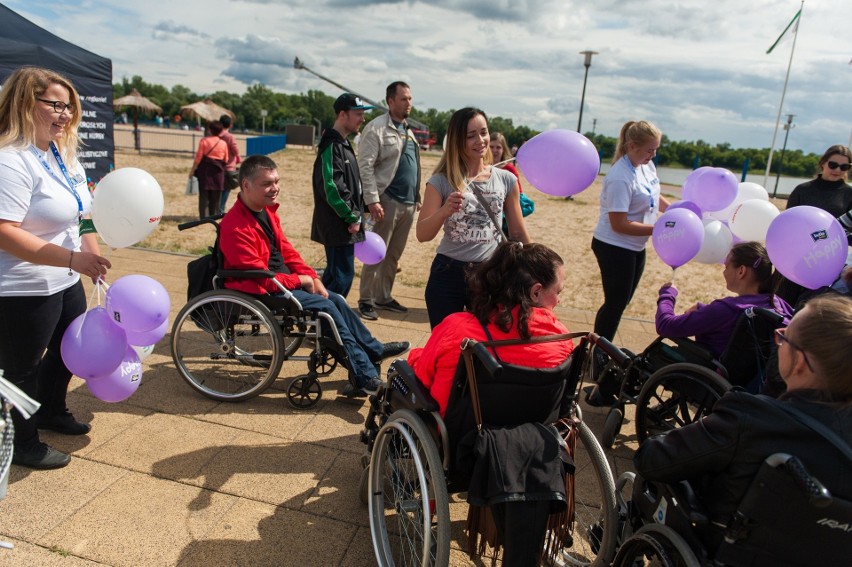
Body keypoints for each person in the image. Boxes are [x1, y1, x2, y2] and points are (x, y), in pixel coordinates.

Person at [634, 293, 852, 543]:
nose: (778, 339)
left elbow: (651, 460)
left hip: (725, 544)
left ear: (800, 362)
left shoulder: (749, 417)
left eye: (783, 337)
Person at [220, 155, 408, 396]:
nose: (275, 188)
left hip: (281, 282)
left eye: (276, 181)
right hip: (262, 289)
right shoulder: (235, 226)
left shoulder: (266, 212)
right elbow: (259, 275)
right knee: (326, 309)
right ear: (245, 185)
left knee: (336, 299)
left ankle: (373, 349)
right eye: (267, 183)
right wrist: (301, 280)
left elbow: (287, 252)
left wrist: (312, 277)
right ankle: (364, 373)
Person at [0, 67, 111, 469]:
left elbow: (81, 217)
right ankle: (22, 443)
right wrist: (71, 259)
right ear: (25, 103)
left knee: (69, 350)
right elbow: (4, 232)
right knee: (20, 370)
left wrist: (91, 257)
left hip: (64, 279)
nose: (65, 115)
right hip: (22, 286)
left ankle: (50, 410)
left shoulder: (62, 156)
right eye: (55, 105)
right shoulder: (10, 160)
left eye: (69, 107)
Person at [408, 241, 573, 416]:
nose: (558, 301)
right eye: (558, 293)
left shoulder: (457, 330)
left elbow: (423, 377)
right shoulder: (561, 338)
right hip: (535, 433)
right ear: (535, 292)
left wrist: (414, 357)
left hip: (463, 434)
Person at [417, 107, 531, 329]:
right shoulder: (440, 181)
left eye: (484, 132)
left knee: (486, 344)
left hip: (490, 274)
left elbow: (517, 232)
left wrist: (536, 269)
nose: (481, 140)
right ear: (458, 140)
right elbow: (422, 234)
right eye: (471, 135)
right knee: (446, 345)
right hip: (448, 274)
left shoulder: (506, 180)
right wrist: (444, 210)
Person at [592, 120, 670, 341]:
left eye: (656, 149)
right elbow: (619, 224)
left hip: (635, 246)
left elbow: (654, 195)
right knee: (615, 303)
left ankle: (601, 349)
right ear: (632, 146)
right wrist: (659, 229)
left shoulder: (646, 165)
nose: (653, 155)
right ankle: (598, 354)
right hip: (614, 247)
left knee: (621, 302)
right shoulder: (620, 177)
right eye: (649, 150)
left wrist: (674, 211)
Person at [655, 242, 793, 358]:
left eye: (726, 266)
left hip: (712, 375)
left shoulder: (727, 310)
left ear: (741, 271)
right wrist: (703, 309)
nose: (724, 272)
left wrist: (667, 294)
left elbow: (665, 325)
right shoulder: (778, 305)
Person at [357, 82, 421, 321]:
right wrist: (372, 200)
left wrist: (417, 197)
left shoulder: (407, 130)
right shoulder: (376, 129)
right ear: (390, 101)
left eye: (410, 99)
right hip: (386, 201)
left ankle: (383, 296)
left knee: (393, 254)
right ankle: (366, 299)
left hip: (408, 203)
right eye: (404, 99)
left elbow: (413, 166)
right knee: (376, 253)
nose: (409, 104)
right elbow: (365, 166)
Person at [311, 93, 372, 298]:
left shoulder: (343, 144)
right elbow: (331, 186)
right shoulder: (331, 145)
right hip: (339, 225)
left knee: (334, 277)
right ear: (342, 115)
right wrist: (352, 216)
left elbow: (351, 184)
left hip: (345, 223)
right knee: (342, 277)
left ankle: (322, 320)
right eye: (358, 114)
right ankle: (331, 323)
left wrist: (362, 208)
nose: (362, 119)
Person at [779, 145, 852, 306]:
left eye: (844, 166)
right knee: (783, 304)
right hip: (795, 256)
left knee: (811, 306)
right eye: (833, 164)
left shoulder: (849, 194)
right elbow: (787, 224)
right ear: (823, 163)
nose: (838, 170)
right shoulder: (802, 190)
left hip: (829, 260)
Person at [490, 131, 534, 231]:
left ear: (503, 149)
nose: (494, 150)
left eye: (498, 147)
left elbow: (519, 195)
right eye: (491, 147)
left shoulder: (509, 169)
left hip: (504, 222)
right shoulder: (480, 169)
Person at [189, 120, 228, 219]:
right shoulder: (223, 143)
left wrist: (192, 170)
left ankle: (203, 217)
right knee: (216, 197)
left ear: (210, 130)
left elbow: (198, 157)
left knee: (204, 196)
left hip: (205, 170)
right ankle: (214, 216)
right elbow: (226, 159)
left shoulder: (204, 141)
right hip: (218, 171)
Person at [218, 114, 241, 215]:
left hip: (217, 165)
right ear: (230, 125)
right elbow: (235, 149)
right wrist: (238, 157)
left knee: (218, 189)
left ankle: (216, 208)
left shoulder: (216, 135)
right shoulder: (229, 137)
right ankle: (220, 209)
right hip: (229, 166)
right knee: (226, 188)